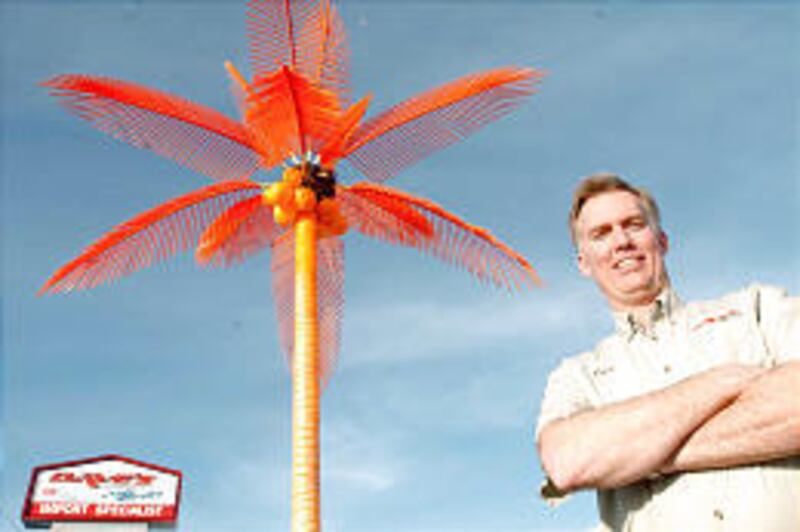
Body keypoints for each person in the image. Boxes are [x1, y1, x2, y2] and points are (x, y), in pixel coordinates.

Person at [535, 173, 800, 531]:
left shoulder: (756, 309)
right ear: (584, 262)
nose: (622, 241)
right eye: (601, 233)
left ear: (661, 240)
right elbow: (567, 461)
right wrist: (721, 382)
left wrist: (633, 454)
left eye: (634, 225)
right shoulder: (577, 376)